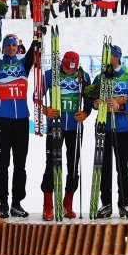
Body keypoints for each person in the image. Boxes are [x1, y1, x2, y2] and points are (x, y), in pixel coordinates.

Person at [0, 24, 38, 218]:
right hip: (2, 120)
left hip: (21, 121)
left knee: (20, 163)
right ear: (3, 48)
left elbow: (34, 52)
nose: (10, 48)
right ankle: (3, 202)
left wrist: (38, 35)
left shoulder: (23, 66)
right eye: (7, 45)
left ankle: (17, 202)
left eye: (13, 45)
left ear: (18, 48)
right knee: (3, 162)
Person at [41, 50, 91, 220]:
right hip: (55, 127)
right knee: (52, 165)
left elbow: (90, 100)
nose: (70, 72)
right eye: (67, 68)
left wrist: (86, 112)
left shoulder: (83, 77)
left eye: (72, 69)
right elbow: (36, 95)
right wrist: (44, 109)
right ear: (61, 64)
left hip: (75, 129)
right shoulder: (51, 75)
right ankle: (48, 205)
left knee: (73, 166)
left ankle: (67, 203)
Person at [91, 45, 128, 219]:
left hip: (122, 129)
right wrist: (95, 104)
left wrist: (121, 106)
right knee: (104, 167)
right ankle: (106, 204)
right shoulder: (99, 78)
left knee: (122, 168)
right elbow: (92, 101)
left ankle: (124, 204)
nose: (105, 59)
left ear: (116, 57)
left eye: (108, 56)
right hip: (104, 127)